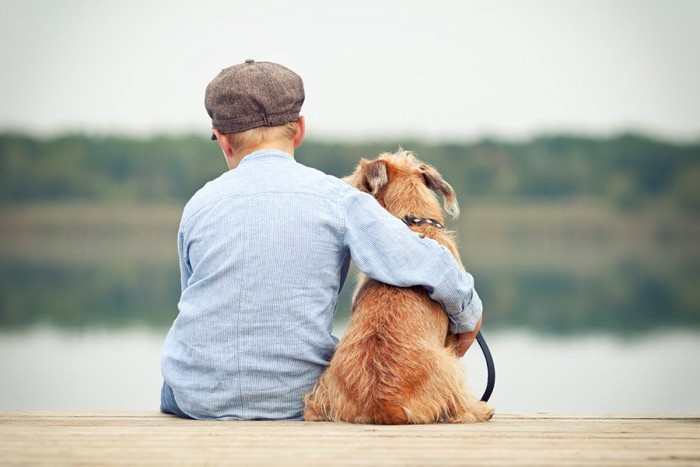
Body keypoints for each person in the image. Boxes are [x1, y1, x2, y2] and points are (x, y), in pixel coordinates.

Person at [160, 59, 484, 420]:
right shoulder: (339, 200)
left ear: (221, 139)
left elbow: (192, 294)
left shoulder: (199, 204)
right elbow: (428, 263)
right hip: (293, 397)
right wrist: (468, 315)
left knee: (175, 375)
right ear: (299, 129)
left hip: (196, 397)